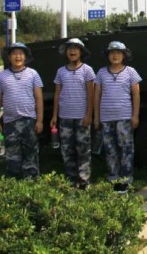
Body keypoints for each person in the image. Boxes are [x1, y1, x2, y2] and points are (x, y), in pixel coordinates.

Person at [94, 41, 141, 193]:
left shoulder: (131, 72)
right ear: (108, 55)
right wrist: (96, 117)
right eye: (112, 53)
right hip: (106, 118)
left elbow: (136, 95)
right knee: (110, 149)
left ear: (124, 55)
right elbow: (97, 95)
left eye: (118, 53)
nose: (115, 55)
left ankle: (126, 180)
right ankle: (114, 179)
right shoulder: (101, 73)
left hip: (124, 117)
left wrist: (135, 116)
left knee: (126, 149)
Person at [0, 42, 44, 179]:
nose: (18, 57)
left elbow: (39, 98)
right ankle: (15, 182)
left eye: (21, 54)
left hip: (29, 121)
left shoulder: (33, 74)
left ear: (25, 57)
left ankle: (31, 180)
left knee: (31, 154)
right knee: (12, 155)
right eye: (14, 54)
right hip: (10, 122)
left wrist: (39, 121)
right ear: (9, 57)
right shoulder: (2, 76)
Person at [50, 38, 95, 188]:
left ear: (81, 52)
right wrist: (55, 115)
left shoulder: (87, 70)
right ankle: (71, 178)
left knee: (83, 149)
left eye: (76, 48)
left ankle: (84, 179)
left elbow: (91, 94)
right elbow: (57, 94)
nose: (72, 51)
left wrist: (89, 115)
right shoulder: (61, 71)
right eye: (70, 49)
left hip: (82, 117)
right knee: (67, 149)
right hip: (65, 117)